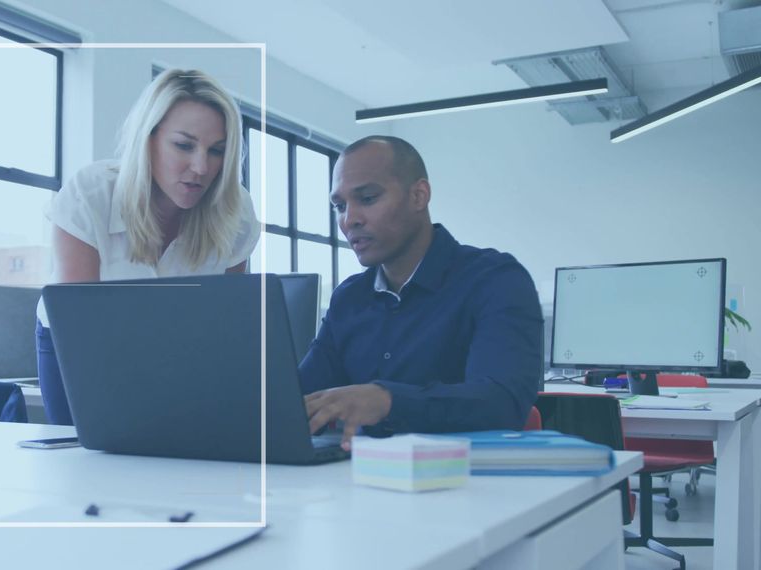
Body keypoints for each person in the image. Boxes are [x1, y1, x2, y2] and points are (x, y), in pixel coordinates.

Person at [36, 69, 261, 425]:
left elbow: (225, 327)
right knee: (84, 450)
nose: (201, 167)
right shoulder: (91, 193)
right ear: (148, 138)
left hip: (176, 347)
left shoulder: (235, 211)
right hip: (76, 340)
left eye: (217, 151)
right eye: (184, 145)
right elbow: (81, 331)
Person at [299, 135, 542, 450]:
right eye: (340, 206)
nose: (350, 220)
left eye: (368, 198)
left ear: (418, 195)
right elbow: (298, 397)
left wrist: (388, 400)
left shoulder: (495, 280)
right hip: (361, 483)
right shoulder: (349, 298)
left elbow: (501, 403)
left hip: (468, 484)